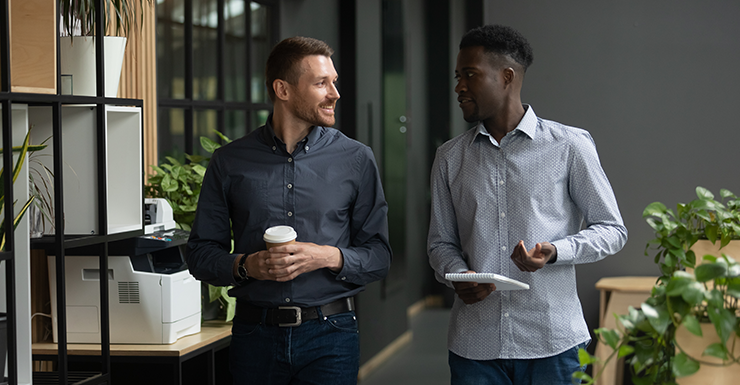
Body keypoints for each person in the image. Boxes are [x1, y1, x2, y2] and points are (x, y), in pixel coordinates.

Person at [427, 24, 628, 385]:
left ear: (506, 77)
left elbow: (612, 230)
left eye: (469, 75)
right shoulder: (449, 158)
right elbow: (440, 243)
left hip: (554, 344)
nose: (459, 87)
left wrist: (554, 251)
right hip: (475, 347)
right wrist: (458, 274)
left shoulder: (569, 146)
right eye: (457, 76)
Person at [186, 36, 392, 385]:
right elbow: (201, 254)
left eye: (334, 82)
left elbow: (380, 256)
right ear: (283, 89)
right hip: (254, 336)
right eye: (320, 83)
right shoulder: (230, 161)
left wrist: (325, 256)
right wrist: (247, 265)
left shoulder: (357, 159)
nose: (334, 93)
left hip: (332, 335)